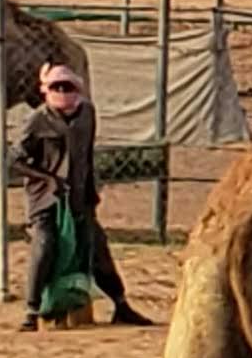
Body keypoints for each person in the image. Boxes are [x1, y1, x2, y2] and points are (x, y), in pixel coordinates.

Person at [14, 64, 151, 329]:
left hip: (79, 195)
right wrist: (47, 178)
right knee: (45, 245)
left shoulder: (86, 114)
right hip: (45, 198)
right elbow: (14, 160)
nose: (63, 92)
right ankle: (31, 311)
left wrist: (89, 192)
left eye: (68, 87)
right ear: (46, 91)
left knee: (97, 247)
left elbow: (86, 155)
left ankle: (121, 304)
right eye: (57, 87)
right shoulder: (37, 121)